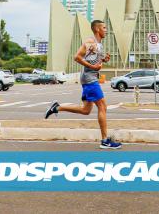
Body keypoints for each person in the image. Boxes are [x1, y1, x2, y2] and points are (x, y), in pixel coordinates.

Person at [45, 19, 121, 149]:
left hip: (90, 78)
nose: (106, 30)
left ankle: (57, 107)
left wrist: (104, 60)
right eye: (104, 27)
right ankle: (104, 141)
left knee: (86, 110)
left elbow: (93, 59)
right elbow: (77, 57)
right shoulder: (90, 42)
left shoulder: (98, 44)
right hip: (90, 79)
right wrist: (93, 66)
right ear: (97, 29)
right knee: (102, 106)